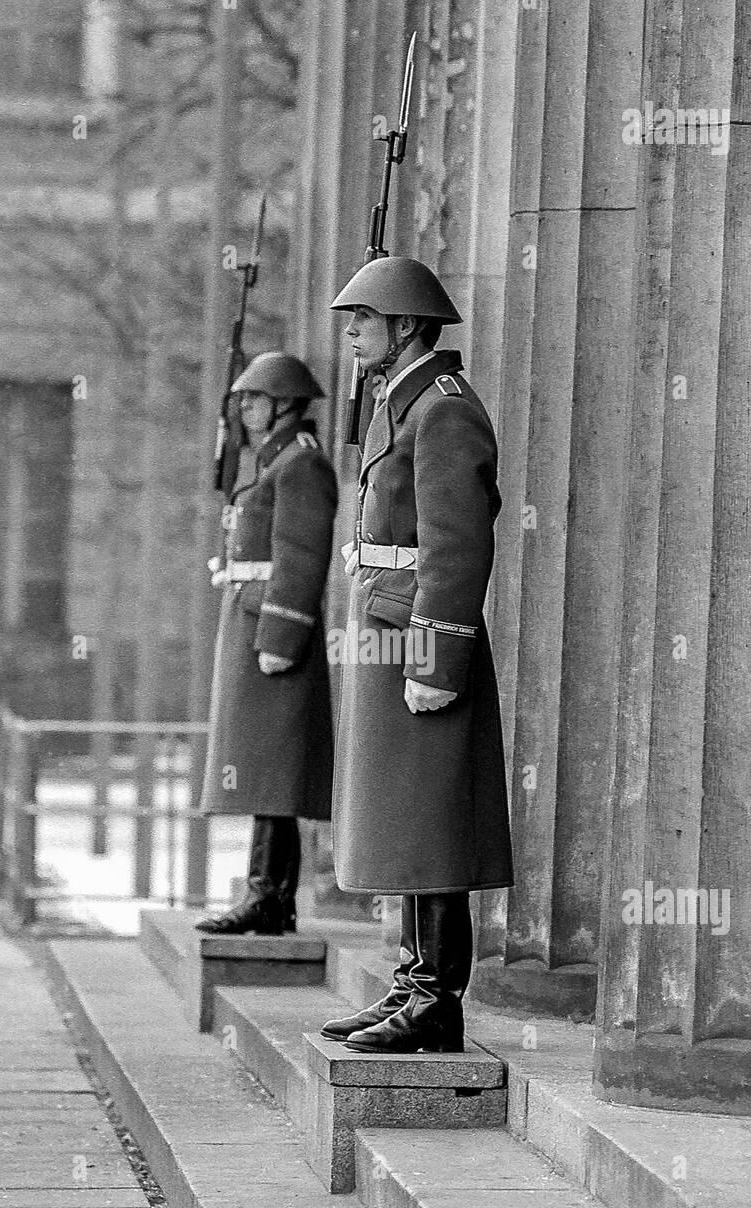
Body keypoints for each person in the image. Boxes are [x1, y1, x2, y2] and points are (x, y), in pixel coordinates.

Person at [322, 256, 514, 1052]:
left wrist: (435, 661)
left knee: (432, 822)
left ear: (404, 325)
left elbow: (457, 548)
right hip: (386, 630)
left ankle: (437, 1000)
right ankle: (412, 981)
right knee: (406, 819)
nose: (353, 333)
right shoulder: (401, 405)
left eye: (363, 319)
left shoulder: (443, 410)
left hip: (416, 641)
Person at [196, 352, 337, 936]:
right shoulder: (271, 463)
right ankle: (269, 896)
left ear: (284, 403)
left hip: (272, 633)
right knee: (262, 771)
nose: (244, 409)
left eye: (253, 399)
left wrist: (280, 633)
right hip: (251, 624)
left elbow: (302, 558)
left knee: (273, 772)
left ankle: (269, 895)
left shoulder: (300, 465)